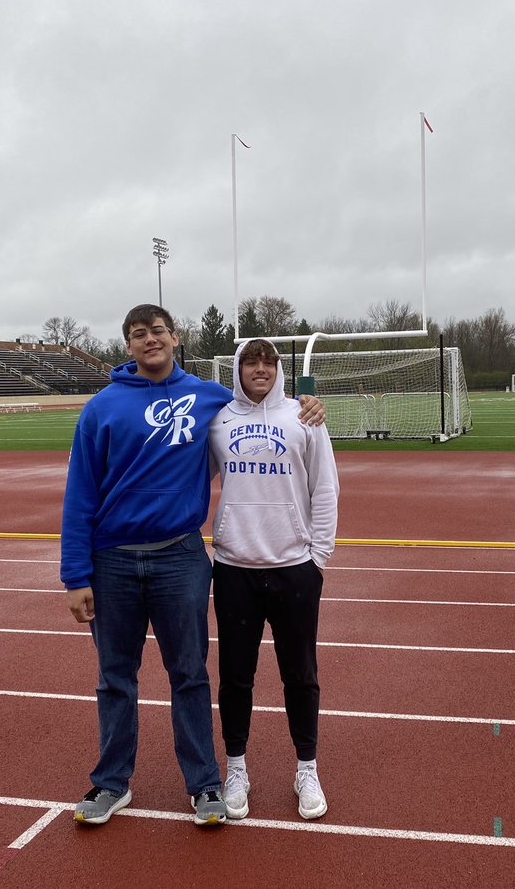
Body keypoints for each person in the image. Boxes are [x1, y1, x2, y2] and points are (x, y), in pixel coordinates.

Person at [61, 304, 324, 828]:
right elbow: (79, 493)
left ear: (175, 337)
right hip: (111, 561)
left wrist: (307, 405)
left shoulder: (209, 397)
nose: (150, 339)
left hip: (180, 556)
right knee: (115, 678)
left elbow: (260, 401)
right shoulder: (101, 408)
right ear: (129, 345)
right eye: (139, 334)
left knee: (189, 675)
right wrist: (75, 575)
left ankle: (205, 785)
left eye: (158, 330)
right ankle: (112, 782)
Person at [208, 338, 339, 821]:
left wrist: (317, 558)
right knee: (235, 678)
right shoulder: (218, 420)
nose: (260, 369)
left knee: (300, 675)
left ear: (278, 369)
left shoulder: (304, 417)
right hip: (236, 568)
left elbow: (325, 487)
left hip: (294, 569)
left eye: (268, 362)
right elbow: (192, 480)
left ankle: (307, 767)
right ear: (238, 368)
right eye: (250, 361)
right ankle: (236, 767)